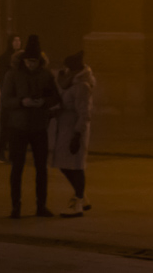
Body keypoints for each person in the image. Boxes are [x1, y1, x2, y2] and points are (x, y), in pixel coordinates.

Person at [0, 35, 60, 218]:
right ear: (23, 60)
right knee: (17, 168)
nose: (31, 64)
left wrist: (43, 102)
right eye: (28, 61)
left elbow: (55, 97)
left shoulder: (46, 75)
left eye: (34, 61)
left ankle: (41, 205)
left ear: (39, 61)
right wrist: (22, 102)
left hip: (39, 127)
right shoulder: (13, 74)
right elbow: (6, 100)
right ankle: (15, 206)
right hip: (18, 127)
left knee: (41, 168)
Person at [50, 51, 94, 216]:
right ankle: (82, 197)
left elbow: (84, 113)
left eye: (66, 67)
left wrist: (77, 134)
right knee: (64, 164)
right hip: (65, 127)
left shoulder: (82, 86)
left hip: (75, 129)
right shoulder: (70, 83)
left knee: (76, 166)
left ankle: (78, 203)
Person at [0, 33, 22, 162]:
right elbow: (1, 77)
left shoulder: (23, 58)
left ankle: (13, 153)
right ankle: (1, 152)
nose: (17, 42)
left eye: (19, 40)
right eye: (14, 40)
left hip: (18, 97)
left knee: (16, 127)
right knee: (5, 126)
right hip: (8, 97)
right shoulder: (4, 58)